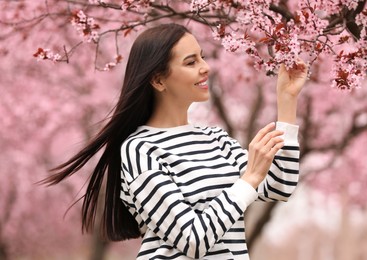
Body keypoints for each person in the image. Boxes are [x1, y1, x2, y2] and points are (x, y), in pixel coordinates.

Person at [43, 23, 308, 259]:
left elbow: (279, 186)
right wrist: (248, 179)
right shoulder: (141, 150)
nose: (205, 67)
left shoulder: (214, 138)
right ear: (159, 80)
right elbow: (192, 240)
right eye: (191, 62)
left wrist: (287, 101)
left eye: (202, 57)